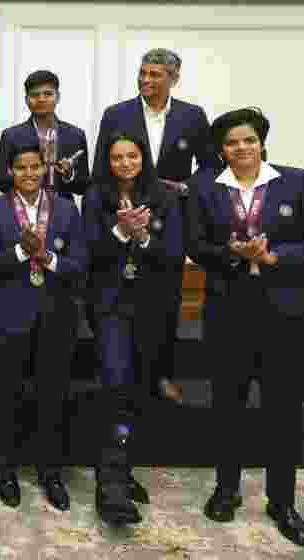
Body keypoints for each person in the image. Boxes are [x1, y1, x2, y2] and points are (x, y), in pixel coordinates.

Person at [188, 108, 304, 547]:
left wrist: (276, 257)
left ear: (261, 143)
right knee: (228, 406)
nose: (242, 148)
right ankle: (226, 489)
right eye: (233, 142)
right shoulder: (206, 189)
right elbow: (196, 246)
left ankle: (282, 502)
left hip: (283, 311)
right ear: (222, 149)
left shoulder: (294, 182)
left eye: (249, 140)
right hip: (229, 308)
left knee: (283, 410)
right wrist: (233, 251)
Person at [94, 48, 220, 404]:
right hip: (121, 209)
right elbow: (101, 167)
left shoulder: (192, 116)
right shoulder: (116, 114)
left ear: (173, 79)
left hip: (170, 215)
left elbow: (210, 167)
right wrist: (113, 209)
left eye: (155, 75)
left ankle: (162, 375)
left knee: (166, 299)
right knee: (119, 296)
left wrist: (186, 188)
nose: (146, 80)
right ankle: (122, 376)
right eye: (143, 73)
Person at [0, 143, 85, 511]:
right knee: (5, 397)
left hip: (55, 317)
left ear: (45, 169)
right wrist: (21, 253)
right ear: (10, 172)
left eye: (35, 167)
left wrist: (47, 257)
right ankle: (6, 470)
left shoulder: (67, 209)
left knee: (51, 397)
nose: (28, 174)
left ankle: (50, 472)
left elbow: (79, 264)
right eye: (20, 167)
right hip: (7, 316)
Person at [82, 131, 183, 525]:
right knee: (116, 383)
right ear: (107, 162)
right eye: (117, 157)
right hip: (109, 304)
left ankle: (119, 469)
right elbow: (88, 249)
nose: (124, 163)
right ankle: (111, 486)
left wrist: (143, 238)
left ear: (143, 158)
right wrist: (121, 232)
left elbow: (174, 253)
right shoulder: (94, 197)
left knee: (138, 388)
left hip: (151, 305)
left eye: (132, 155)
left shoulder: (166, 196)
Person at [0, 70, 89, 198]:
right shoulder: (11, 136)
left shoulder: (75, 135)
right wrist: (26, 174)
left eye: (48, 94)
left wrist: (68, 174)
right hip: (22, 210)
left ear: (58, 97)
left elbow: (83, 187)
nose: (41, 99)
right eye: (35, 95)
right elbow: (1, 183)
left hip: (62, 210)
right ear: (26, 100)